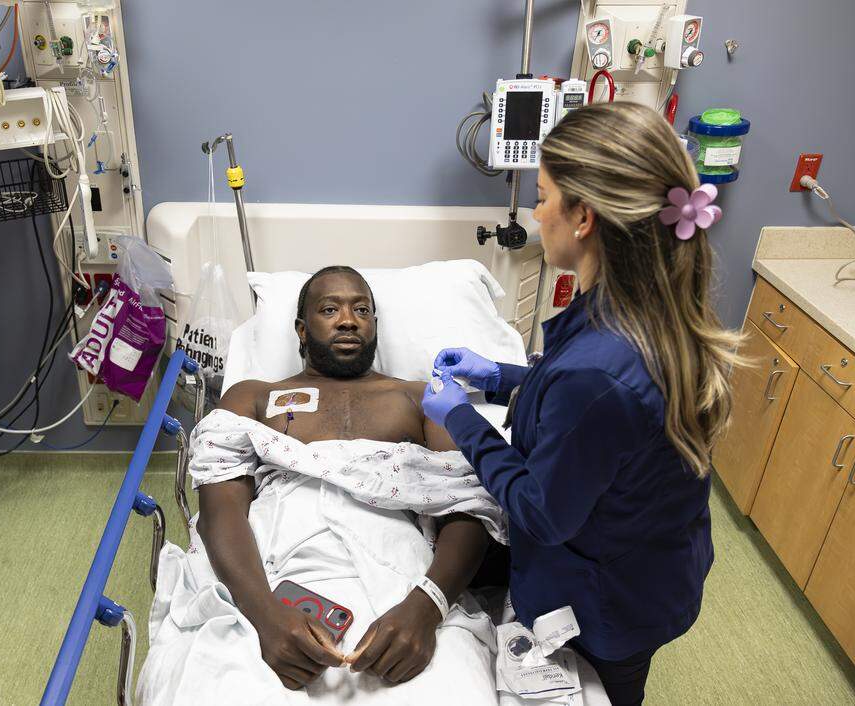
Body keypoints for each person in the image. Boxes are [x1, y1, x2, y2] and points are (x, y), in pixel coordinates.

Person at [422, 102, 742, 706]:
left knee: (608, 692)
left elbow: (543, 512)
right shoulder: (646, 312)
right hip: (655, 557)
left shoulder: (601, 371)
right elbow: (597, 411)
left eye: (543, 196)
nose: (537, 212)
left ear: (584, 216)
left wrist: (460, 419)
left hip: (613, 601)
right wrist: (503, 378)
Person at [138, 266, 506, 706]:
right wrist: (265, 616)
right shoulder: (253, 394)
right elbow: (222, 510)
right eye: (329, 309)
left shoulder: (421, 396)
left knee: (451, 689)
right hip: (274, 568)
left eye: (362, 310)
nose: (348, 320)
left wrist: (426, 608)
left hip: (400, 571)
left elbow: (466, 503)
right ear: (301, 329)